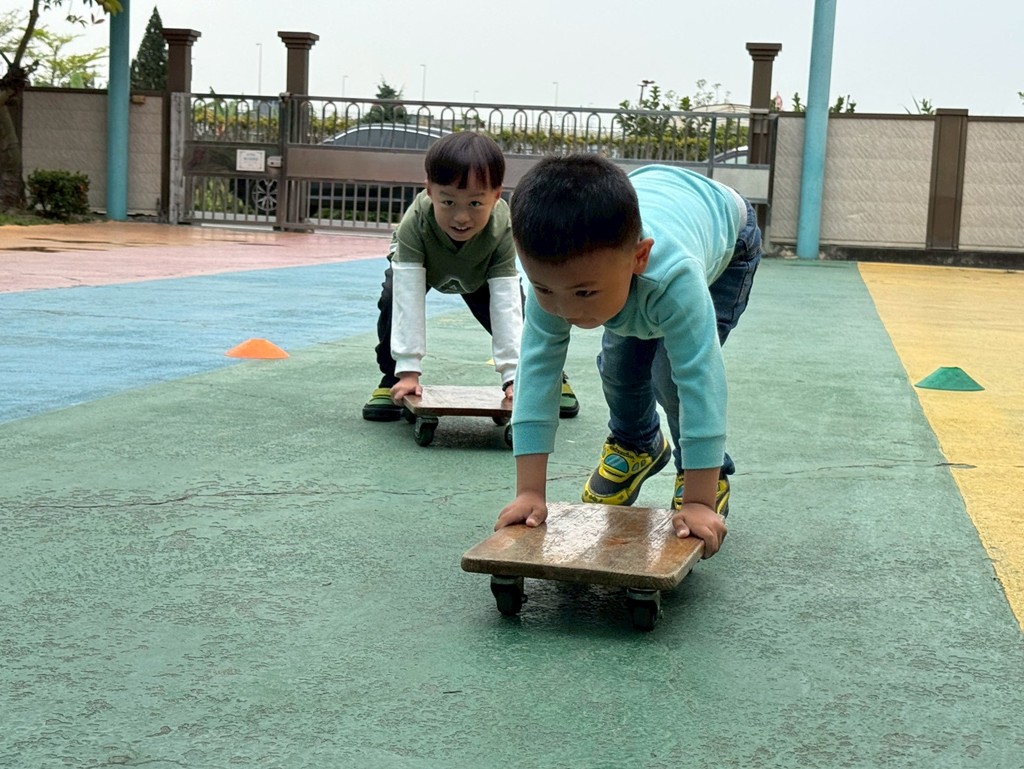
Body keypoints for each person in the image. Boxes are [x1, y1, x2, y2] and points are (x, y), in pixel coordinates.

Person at [495, 154, 762, 559]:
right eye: (545, 289)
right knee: (619, 366)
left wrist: (699, 501)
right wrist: (529, 492)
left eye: (584, 293)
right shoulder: (556, 280)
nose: (565, 309)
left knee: (670, 376)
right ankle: (637, 444)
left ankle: (705, 472)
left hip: (728, 236)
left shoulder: (675, 279)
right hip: (650, 210)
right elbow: (537, 369)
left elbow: (701, 379)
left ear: (639, 257)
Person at [361, 131, 579, 421]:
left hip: (481, 273)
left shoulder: (503, 228)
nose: (461, 217)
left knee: (523, 313)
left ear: (496, 196)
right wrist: (408, 371)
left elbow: (505, 304)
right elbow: (407, 297)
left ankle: (546, 376)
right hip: (425, 268)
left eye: (475, 204)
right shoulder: (415, 223)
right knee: (392, 298)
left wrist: (514, 377)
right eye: (448, 202)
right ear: (430, 191)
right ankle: (392, 379)